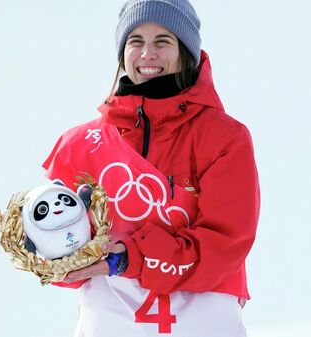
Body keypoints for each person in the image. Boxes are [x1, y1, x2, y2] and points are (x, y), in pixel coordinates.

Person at [41, 0, 260, 336]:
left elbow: (224, 245)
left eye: (163, 41)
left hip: (202, 319)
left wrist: (129, 258)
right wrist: (45, 246)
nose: (147, 54)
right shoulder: (81, 144)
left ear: (185, 51)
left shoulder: (224, 138)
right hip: (110, 321)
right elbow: (64, 256)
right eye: (136, 41)